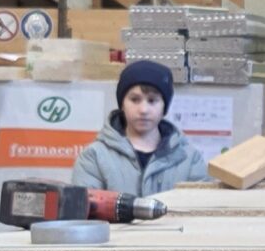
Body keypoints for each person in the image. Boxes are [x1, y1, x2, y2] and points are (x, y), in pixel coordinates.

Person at [72, 60, 208, 196]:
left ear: (164, 107)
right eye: (135, 100)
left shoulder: (189, 159)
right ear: (122, 104)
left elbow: (202, 206)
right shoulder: (94, 157)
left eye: (152, 101)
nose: (143, 110)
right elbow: (83, 206)